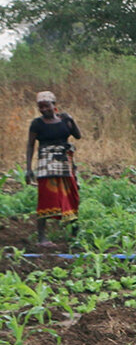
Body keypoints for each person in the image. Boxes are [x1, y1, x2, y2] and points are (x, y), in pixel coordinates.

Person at [24, 92, 82, 246]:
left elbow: (78, 136)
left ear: (54, 105)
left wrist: (72, 119)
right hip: (46, 163)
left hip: (65, 162)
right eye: (40, 107)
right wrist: (28, 168)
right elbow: (30, 146)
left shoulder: (64, 120)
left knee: (71, 195)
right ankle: (42, 238)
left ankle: (74, 232)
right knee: (46, 198)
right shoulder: (37, 124)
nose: (43, 109)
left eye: (46, 106)